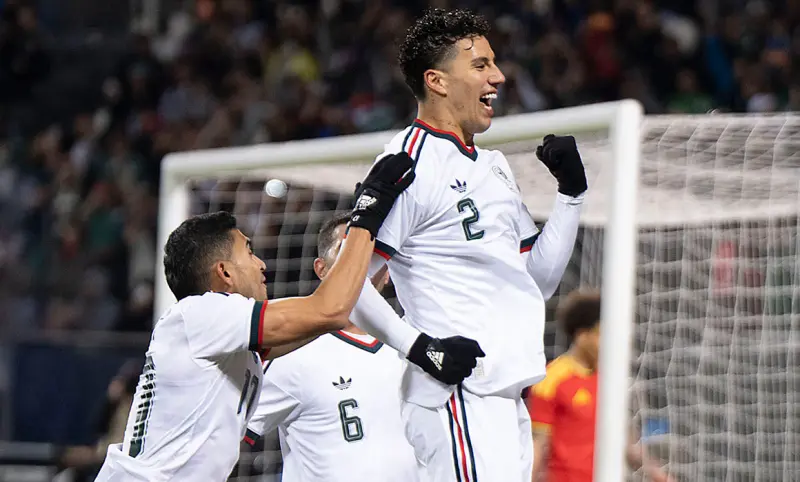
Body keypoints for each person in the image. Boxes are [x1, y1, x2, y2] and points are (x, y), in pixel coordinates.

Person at [340, 8, 587, 481]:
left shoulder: (492, 164)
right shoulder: (408, 162)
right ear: (437, 81)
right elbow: (347, 283)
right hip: (456, 396)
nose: (498, 76)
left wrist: (571, 196)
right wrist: (420, 349)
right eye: (480, 65)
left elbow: (536, 281)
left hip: (505, 396)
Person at [94, 153, 434, 480]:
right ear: (224, 272)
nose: (261, 264)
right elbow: (328, 309)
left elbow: (324, 320)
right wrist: (366, 218)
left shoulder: (228, 342)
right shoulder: (204, 313)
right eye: (249, 252)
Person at [243, 213, 418, 482]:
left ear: (388, 273)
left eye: (371, 250)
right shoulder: (291, 355)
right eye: (347, 249)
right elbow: (224, 440)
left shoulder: (417, 349)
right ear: (321, 269)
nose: (361, 260)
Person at [527, 290, 673, 482]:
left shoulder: (612, 381)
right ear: (582, 335)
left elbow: (630, 447)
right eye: (603, 335)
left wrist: (663, 477)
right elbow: (537, 446)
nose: (611, 343)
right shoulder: (551, 380)